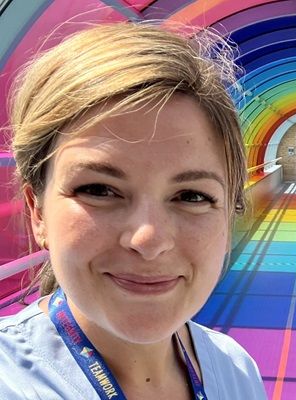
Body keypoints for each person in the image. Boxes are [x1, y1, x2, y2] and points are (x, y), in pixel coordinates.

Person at [0, 22, 267, 399]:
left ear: (228, 216)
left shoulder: (235, 370)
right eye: (98, 190)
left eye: (191, 196)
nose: (149, 239)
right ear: (37, 212)